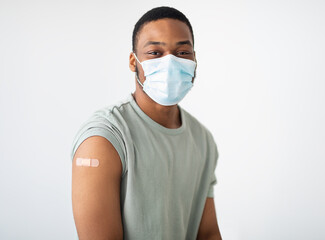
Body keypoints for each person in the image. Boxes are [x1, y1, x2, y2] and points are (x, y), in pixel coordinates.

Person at [70, 6, 222, 240]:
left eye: (182, 52)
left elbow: (208, 233)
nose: (170, 62)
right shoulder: (104, 139)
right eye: (155, 53)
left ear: (195, 60)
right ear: (134, 61)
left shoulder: (203, 140)